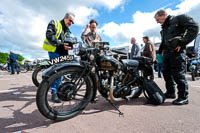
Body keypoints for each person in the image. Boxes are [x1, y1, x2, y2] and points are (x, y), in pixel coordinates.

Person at [154, 9, 199, 105]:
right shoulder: (164, 28)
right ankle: (170, 93)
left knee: (178, 75)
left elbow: (194, 26)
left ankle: (183, 97)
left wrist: (182, 42)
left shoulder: (179, 19)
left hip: (177, 53)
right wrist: (160, 51)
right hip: (166, 54)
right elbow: (163, 41)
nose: (157, 22)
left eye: (158, 19)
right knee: (166, 73)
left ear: (164, 15)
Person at [43, 12, 75, 103]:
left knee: (61, 73)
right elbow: (49, 35)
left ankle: (58, 91)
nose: (71, 23)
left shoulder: (68, 30)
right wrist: (61, 44)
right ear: (65, 18)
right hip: (54, 51)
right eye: (70, 21)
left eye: (73, 22)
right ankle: (54, 93)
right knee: (56, 72)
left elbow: (70, 41)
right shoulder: (54, 23)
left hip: (64, 53)